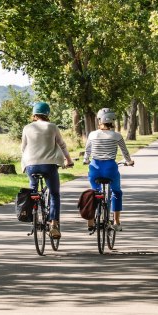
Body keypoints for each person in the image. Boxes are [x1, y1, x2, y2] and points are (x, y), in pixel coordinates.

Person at [21, 101, 74, 239]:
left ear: (34, 115)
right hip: (49, 165)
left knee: (33, 192)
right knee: (55, 194)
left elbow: (23, 148)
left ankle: (32, 217)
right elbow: (62, 145)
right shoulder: (52, 127)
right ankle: (53, 225)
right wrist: (69, 160)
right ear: (47, 114)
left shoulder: (27, 128)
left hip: (31, 165)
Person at [82, 108, 135, 232]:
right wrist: (129, 161)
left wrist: (86, 160)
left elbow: (87, 151)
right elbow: (125, 152)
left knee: (94, 193)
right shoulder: (117, 136)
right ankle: (116, 222)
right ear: (113, 121)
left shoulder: (92, 135)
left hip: (95, 168)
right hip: (110, 168)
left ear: (99, 120)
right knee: (116, 192)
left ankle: (90, 221)